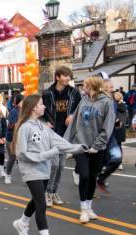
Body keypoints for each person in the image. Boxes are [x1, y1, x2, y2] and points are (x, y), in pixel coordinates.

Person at [11, 95, 87, 235]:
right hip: (31, 170)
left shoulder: (42, 126)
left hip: (44, 170)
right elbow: (22, 153)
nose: (44, 107)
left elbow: (60, 142)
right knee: (41, 204)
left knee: (36, 199)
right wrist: (47, 154)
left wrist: (81, 148)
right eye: (41, 104)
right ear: (33, 108)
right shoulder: (25, 127)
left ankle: (22, 222)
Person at [64, 75, 115, 223]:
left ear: (91, 86)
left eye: (85, 85)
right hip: (80, 145)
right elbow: (75, 122)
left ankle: (89, 207)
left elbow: (108, 127)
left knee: (93, 177)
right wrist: (67, 142)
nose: (83, 87)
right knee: (84, 176)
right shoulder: (84, 99)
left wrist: (96, 146)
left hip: (96, 148)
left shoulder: (106, 102)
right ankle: (83, 209)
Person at [42, 66, 81, 207]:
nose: (68, 78)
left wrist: (71, 115)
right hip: (51, 134)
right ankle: (47, 192)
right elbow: (40, 112)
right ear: (58, 77)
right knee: (54, 164)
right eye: (65, 76)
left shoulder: (74, 92)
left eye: (69, 76)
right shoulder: (47, 93)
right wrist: (45, 122)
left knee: (62, 166)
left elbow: (79, 109)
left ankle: (54, 192)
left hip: (66, 134)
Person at [96, 81, 123, 193]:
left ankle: (100, 179)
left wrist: (117, 123)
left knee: (117, 159)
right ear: (104, 89)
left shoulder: (113, 101)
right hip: (100, 138)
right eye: (110, 87)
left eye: (113, 86)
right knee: (97, 165)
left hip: (111, 138)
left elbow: (113, 118)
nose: (113, 89)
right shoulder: (99, 102)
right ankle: (89, 187)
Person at [5, 94, 23, 184]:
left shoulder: (24, 111)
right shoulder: (14, 112)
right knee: (12, 158)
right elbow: (12, 126)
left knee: (23, 158)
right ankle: (8, 175)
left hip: (21, 139)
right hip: (11, 139)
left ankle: (26, 177)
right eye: (23, 101)